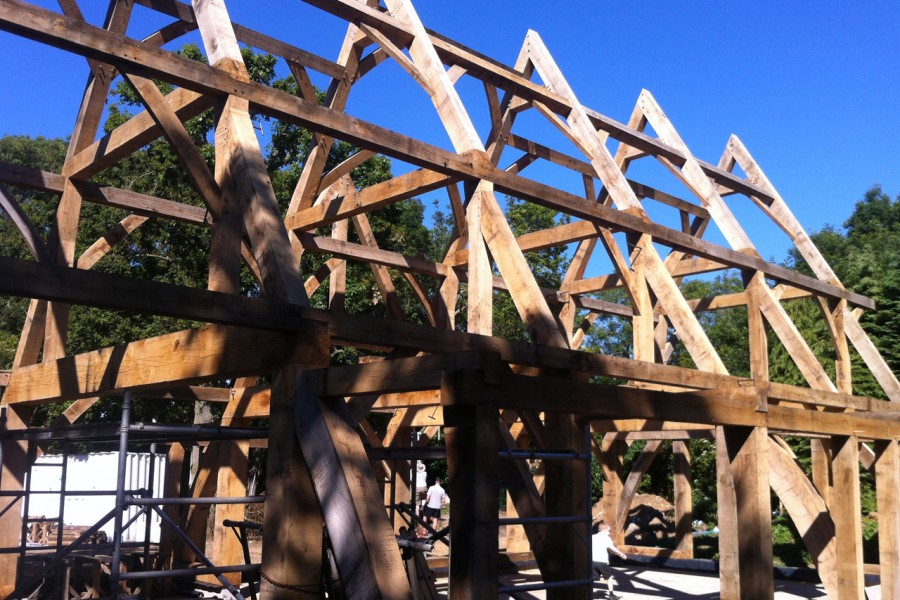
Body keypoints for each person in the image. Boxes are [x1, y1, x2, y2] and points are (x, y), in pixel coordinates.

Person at [591, 522, 627, 600]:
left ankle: (588, 593)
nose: (610, 533)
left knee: (593, 577)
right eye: (609, 531)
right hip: (602, 561)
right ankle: (611, 595)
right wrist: (621, 554)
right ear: (603, 530)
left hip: (592, 561)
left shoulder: (593, 537)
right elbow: (612, 548)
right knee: (609, 577)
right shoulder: (606, 538)